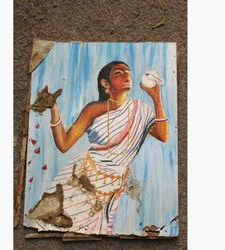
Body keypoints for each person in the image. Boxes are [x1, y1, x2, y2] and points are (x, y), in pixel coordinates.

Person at [28, 61, 169, 235]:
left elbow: (163, 136)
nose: (127, 76)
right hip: (81, 179)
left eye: (128, 73)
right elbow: (64, 145)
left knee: (97, 232)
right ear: (105, 83)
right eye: (119, 73)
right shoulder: (94, 109)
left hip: (113, 184)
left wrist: (156, 97)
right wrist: (54, 109)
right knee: (58, 228)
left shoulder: (141, 109)